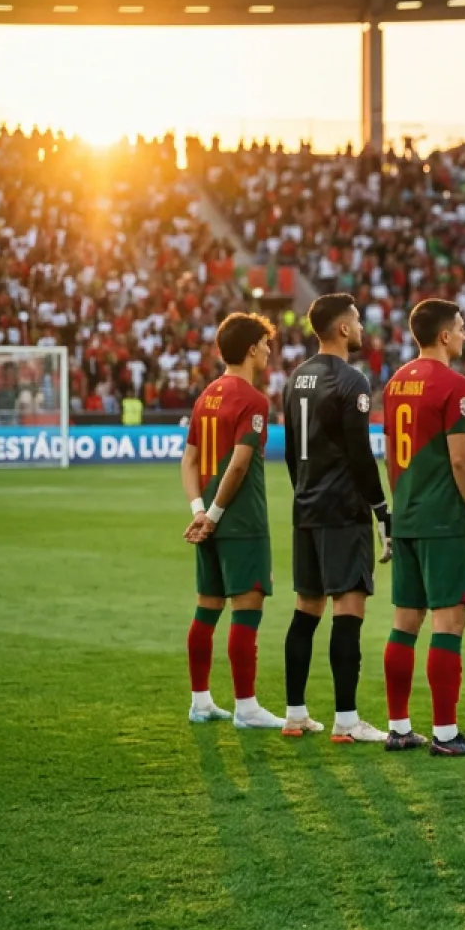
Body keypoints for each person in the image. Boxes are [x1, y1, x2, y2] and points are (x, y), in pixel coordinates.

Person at [381, 298, 465, 756]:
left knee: (405, 622)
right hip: (443, 519)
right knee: (450, 623)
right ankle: (445, 733)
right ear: (444, 335)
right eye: (461, 329)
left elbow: (390, 454)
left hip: (406, 513)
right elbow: (462, 461)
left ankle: (399, 726)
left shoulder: (394, 383)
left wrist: (398, 507)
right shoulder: (453, 385)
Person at [279, 293, 392, 743]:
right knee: (349, 608)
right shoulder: (352, 381)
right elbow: (361, 454)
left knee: (306, 609)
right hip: (343, 508)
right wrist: (380, 508)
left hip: (305, 505)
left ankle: (294, 714)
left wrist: (305, 492)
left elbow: (290, 453)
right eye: (358, 321)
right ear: (342, 329)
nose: (362, 328)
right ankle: (346, 720)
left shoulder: (294, 378)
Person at [180, 312, 284, 729]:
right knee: (247, 606)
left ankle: (201, 700)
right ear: (252, 348)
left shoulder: (206, 395)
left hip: (207, 517)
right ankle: (246, 706)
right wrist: (217, 515)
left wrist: (199, 512)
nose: (270, 349)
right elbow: (239, 466)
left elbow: (188, 460)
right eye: (266, 342)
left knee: (207, 608)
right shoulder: (253, 399)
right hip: (240, 521)